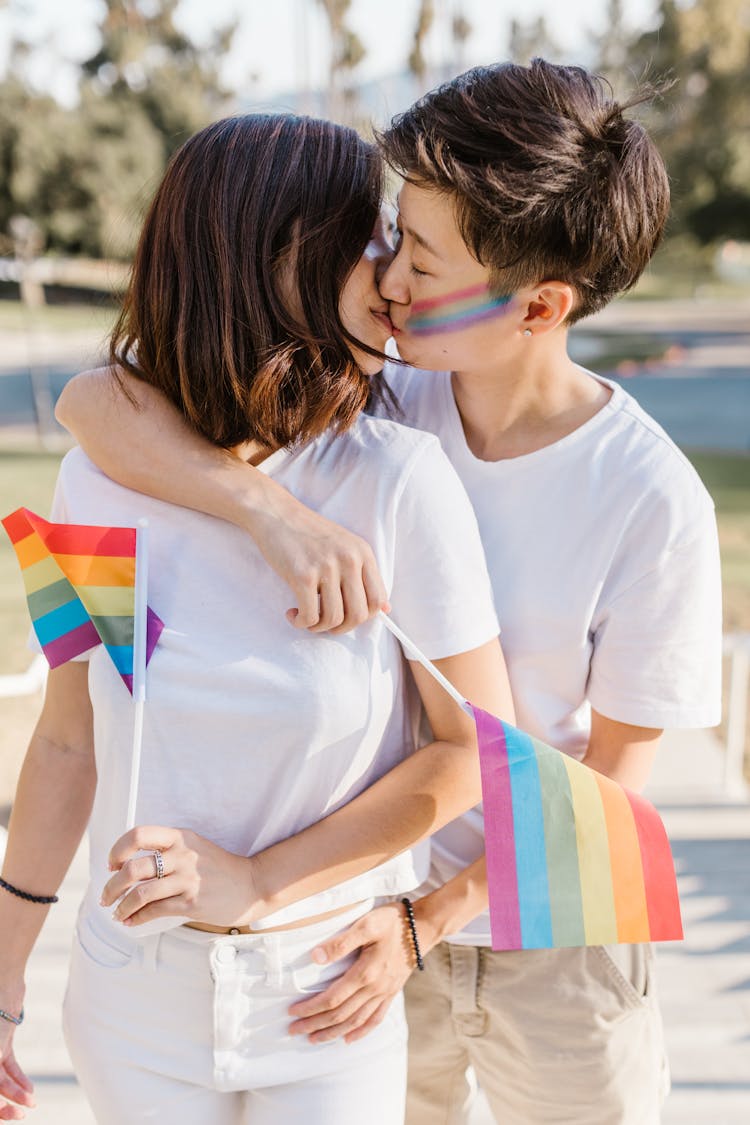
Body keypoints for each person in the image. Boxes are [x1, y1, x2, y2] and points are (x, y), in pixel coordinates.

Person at [56, 60, 723, 1125]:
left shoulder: (651, 504)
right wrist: (274, 514)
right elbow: (98, 403)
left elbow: (609, 796)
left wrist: (428, 919)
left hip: (548, 937)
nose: (389, 276)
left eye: (421, 257)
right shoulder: (382, 392)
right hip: (355, 919)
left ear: (540, 306)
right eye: (393, 237)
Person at [0, 112, 516, 1125]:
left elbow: (475, 755)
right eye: (365, 236)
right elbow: (68, 742)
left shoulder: (399, 479)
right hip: (126, 997)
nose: (390, 272)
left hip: (326, 995)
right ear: (274, 256)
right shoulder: (89, 483)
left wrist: (255, 883)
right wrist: (2, 984)